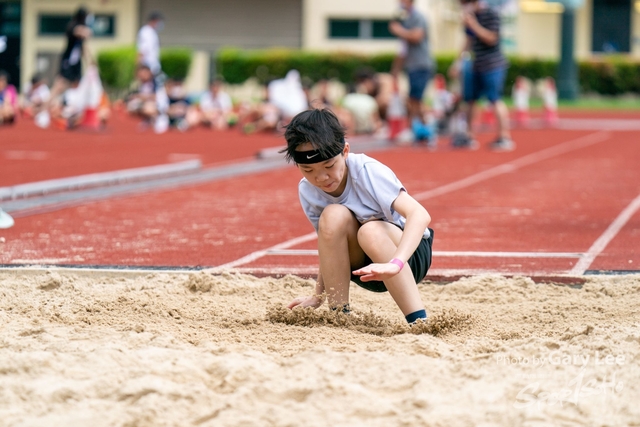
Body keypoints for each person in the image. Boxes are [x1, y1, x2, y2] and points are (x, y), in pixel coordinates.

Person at [282, 108, 434, 324]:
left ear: (345, 151)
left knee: (370, 231)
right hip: (363, 269)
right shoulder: (308, 190)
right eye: (308, 170)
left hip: (408, 258)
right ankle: (339, 317)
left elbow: (420, 214)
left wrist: (396, 263)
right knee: (333, 215)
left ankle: (418, 320)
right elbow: (329, 246)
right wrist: (318, 296)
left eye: (329, 165)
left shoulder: (367, 171)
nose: (321, 177)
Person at [452, 0, 514, 151]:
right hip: (476, 65)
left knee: (495, 99)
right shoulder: (471, 15)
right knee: (471, 100)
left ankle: (504, 137)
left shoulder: (491, 14)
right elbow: (468, 41)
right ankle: (469, 136)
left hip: (493, 65)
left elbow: (492, 38)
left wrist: (473, 24)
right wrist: (458, 62)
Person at [389, 0, 435, 142]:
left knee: (415, 99)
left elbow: (416, 36)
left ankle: (417, 129)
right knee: (415, 100)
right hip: (413, 65)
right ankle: (426, 129)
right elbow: (403, 49)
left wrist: (399, 30)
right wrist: (396, 69)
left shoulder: (418, 17)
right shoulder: (406, 19)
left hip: (421, 64)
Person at [42, 7, 93, 124]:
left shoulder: (81, 31)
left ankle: (69, 113)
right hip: (67, 62)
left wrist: (89, 61)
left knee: (77, 88)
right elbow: (84, 32)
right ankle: (43, 110)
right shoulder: (73, 26)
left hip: (76, 64)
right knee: (59, 86)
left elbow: (83, 48)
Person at [137, 11, 164, 76]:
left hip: (153, 67)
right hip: (148, 67)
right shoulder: (146, 32)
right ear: (154, 21)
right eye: (158, 21)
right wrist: (139, 68)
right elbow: (142, 50)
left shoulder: (152, 32)